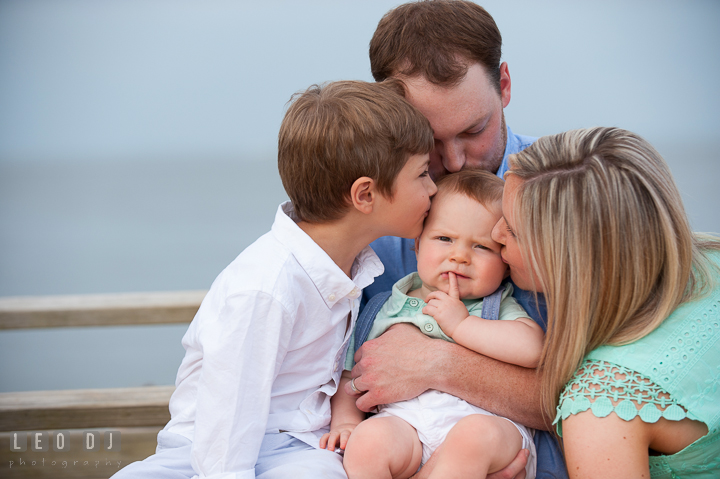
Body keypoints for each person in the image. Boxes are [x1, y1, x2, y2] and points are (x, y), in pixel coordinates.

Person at [111, 80, 438, 479]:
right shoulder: (267, 288)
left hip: (299, 446)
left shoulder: (350, 267)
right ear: (365, 195)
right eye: (422, 174)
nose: (434, 188)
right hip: (207, 449)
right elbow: (227, 418)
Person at [354, 2, 565, 478]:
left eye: (474, 129)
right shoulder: (370, 222)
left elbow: (610, 390)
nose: (453, 160)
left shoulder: (567, 200)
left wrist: (440, 364)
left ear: (504, 85)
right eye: (429, 138)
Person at [491, 126, 720, 478]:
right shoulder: (714, 257)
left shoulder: (602, 407)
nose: (495, 234)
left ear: (571, 262)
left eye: (513, 230)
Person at [321, 170, 542, 479]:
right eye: (444, 239)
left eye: (481, 247)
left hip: (486, 422)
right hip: (405, 422)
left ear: (505, 265)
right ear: (417, 245)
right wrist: (346, 423)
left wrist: (462, 325)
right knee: (367, 443)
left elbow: (532, 349)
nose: (459, 256)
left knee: (472, 437)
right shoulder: (382, 307)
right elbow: (351, 375)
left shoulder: (495, 305)